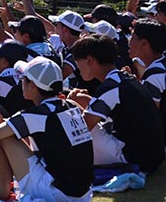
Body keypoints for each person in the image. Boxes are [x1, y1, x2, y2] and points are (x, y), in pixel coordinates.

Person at [0, 57, 93, 202]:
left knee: (0, 136)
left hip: (59, 195)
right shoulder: (71, 105)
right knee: (11, 131)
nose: (21, 83)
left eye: (23, 79)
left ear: (32, 85)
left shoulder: (35, 114)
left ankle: (1, 196)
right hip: (84, 194)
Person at [68, 35, 165, 173]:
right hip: (151, 155)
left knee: (74, 126)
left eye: (78, 62)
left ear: (89, 60)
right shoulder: (124, 78)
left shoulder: (111, 86)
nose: (77, 68)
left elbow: (84, 127)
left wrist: (70, 103)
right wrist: (79, 100)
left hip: (134, 158)